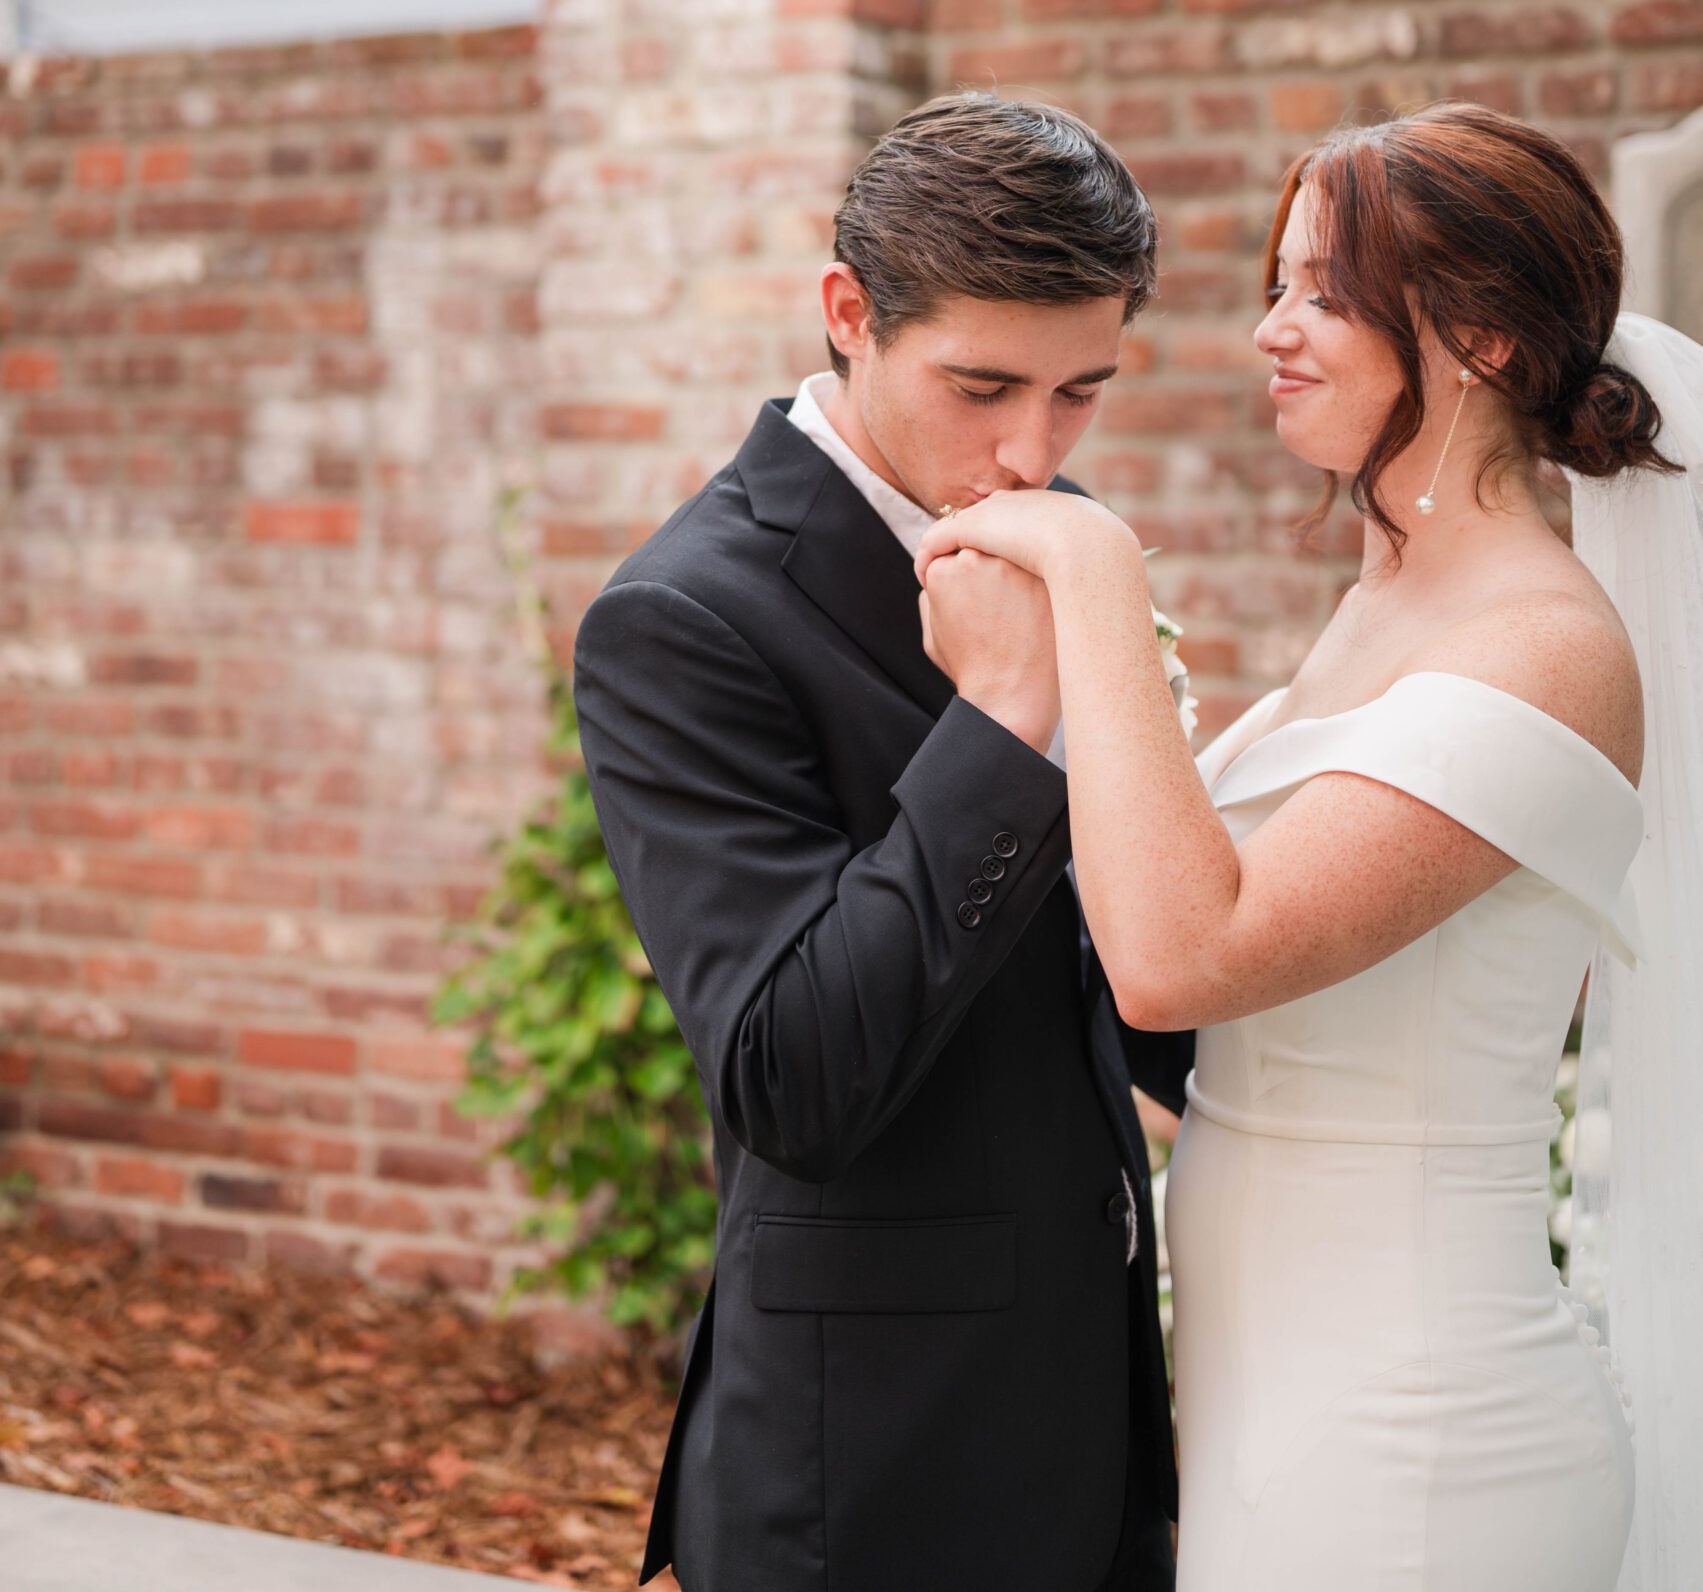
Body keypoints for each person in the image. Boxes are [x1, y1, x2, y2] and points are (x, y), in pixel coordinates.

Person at [917, 100, 1701, 1592]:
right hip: (1273, 1403)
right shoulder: (1388, 608)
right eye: (1276, 285)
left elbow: (1180, 960)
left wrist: (1091, 564)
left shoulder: (1545, 646)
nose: (1271, 329)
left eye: (1324, 295)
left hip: (1420, 1437)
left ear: (1478, 339)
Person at [572, 94, 1191, 1592]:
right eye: (983, 385)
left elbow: (1129, 972)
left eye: (1082, 392)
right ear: (850, 313)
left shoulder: (1060, 530)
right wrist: (1001, 719)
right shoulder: (684, 620)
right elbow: (793, 1074)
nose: (1031, 452)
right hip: (874, 1468)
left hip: (1101, 1419)